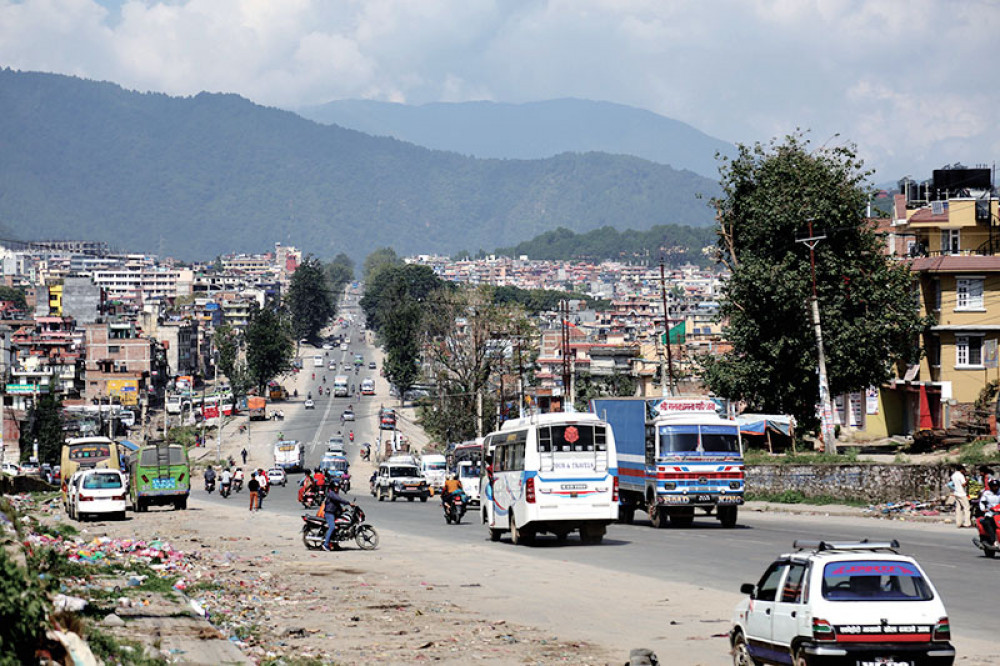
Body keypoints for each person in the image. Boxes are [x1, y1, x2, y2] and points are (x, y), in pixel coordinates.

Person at [322, 481, 352, 552]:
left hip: (333, 513)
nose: (336, 489)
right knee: (332, 527)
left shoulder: (334, 494)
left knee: (339, 527)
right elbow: (339, 500)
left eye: (337, 488)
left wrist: (343, 509)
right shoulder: (332, 494)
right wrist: (348, 503)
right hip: (329, 514)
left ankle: (334, 544)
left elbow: (337, 504)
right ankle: (325, 544)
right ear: (332, 488)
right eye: (335, 488)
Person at [979, 478, 1000, 547]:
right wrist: (983, 509)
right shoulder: (986, 493)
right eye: (994, 486)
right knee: (988, 523)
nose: (995, 487)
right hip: (990, 513)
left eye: (996, 486)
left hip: (999, 513)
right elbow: (982, 502)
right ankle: (994, 540)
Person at [952, 464, 971, 528]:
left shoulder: (953, 475)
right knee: (967, 508)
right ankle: (967, 523)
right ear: (961, 469)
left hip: (956, 493)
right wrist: (967, 481)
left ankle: (958, 523)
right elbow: (963, 485)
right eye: (964, 470)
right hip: (962, 493)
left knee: (958, 508)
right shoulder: (960, 475)